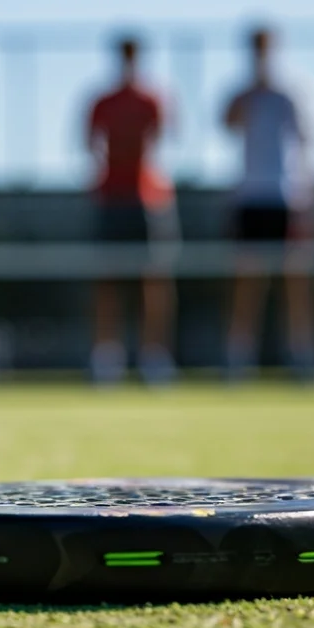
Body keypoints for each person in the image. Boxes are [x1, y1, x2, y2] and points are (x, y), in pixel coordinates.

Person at [221, 26, 314, 382]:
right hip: (250, 197)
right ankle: (239, 357)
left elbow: (306, 143)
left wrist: (307, 198)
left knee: (296, 279)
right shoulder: (243, 94)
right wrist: (248, 96)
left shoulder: (292, 91)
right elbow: (227, 123)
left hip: (287, 197)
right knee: (247, 279)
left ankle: (303, 355)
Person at [85, 34, 179, 385]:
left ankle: (153, 356)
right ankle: (107, 357)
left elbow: (163, 137)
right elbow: (90, 144)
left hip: (148, 201)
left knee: (152, 279)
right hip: (112, 199)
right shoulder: (102, 102)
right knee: (107, 280)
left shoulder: (153, 98)